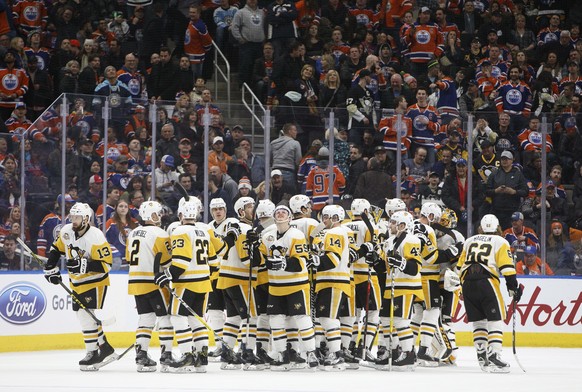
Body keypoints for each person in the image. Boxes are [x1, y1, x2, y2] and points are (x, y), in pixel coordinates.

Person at [42, 203, 117, 371]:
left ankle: (92, 352)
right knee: (85, 316)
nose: (73, 220)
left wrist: (85, 266)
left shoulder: (96, 236)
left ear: (86, 219)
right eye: (72, 217)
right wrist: (50, 268)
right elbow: (56, 248)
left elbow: (107, 265)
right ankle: (105, 347)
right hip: (76, 282)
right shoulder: (66, 231)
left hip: (95, 281)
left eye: (77, 218)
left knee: (85, 315)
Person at [155, 197, 218, 372]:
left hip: (186, 283)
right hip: (204, 283)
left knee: (177, 317)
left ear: (181, 214)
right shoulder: (203, 232)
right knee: (196, 319)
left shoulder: (180, 231)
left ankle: (187, 355)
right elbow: (214, 261)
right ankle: (201, 358)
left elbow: (181, 263)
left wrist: (166, 276)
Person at [455, 214, 522, 373]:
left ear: (481, 228)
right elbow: (507, 267)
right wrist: (513, 287)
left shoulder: (469, 240)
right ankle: (494, 355)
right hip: (487, 282)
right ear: (497, 227)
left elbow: (458, 268)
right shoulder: (501, 241)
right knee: (496, 318)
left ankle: (481, 354)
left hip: (467, 282)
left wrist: (459, 288)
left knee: (478, 321)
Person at [257, 204, 318, 370]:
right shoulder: (268, 236)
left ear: (290, 218)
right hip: (275, 286)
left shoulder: (296, 234)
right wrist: (253, 245)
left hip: (296, 285)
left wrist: (284, 262)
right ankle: (281, 353)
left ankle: (311, 352)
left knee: (302, 318)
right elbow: (258, 260)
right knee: (275, 320)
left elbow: (302, 262)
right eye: (278, 212)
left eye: (284, 212)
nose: (281, 214)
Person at [126, 201, 175, 372]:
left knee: (145, 319)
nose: (159, 217)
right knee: (165, 318)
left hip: (136, 282)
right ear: (151, 216)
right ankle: (167, 356)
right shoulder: (159, 233)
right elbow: (167, 261)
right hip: (155, 282)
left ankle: (141, 356)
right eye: (157, 214)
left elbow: (128, 258)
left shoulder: (132, 234)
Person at [485, 151, 529, 230]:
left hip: (512, 211)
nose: (504, 161)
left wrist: (514, 192)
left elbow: (525, 191)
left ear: (512, 160)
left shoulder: (518, 174)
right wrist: (496, 191)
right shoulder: (494, 174)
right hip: (497, 211)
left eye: (507, 159)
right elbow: (486, 191)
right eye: (502, 159)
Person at [105, 200, 138, 271]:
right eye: (121, 206)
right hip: (116, 259)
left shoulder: (135, 222)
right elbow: (103, 240)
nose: (123, 208)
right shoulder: (110, 222)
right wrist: (115, 254)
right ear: (116, 208)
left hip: (131, 259)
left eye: (126, 207)